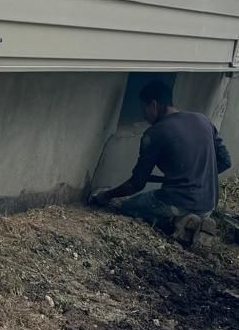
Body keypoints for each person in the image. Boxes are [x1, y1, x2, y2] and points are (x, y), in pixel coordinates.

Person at [91, 79, 231, 244]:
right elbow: (225, 161)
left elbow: (136, 184)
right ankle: (194, 221)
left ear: (154, 105)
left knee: (128, 207)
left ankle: (176, 224)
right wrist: (194, 175)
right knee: (172, 206)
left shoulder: (155, 133)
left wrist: (106, 195)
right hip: (208, 204)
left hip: (177, 201)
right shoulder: (203, 121)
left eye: (144, 108)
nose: (144, 114)